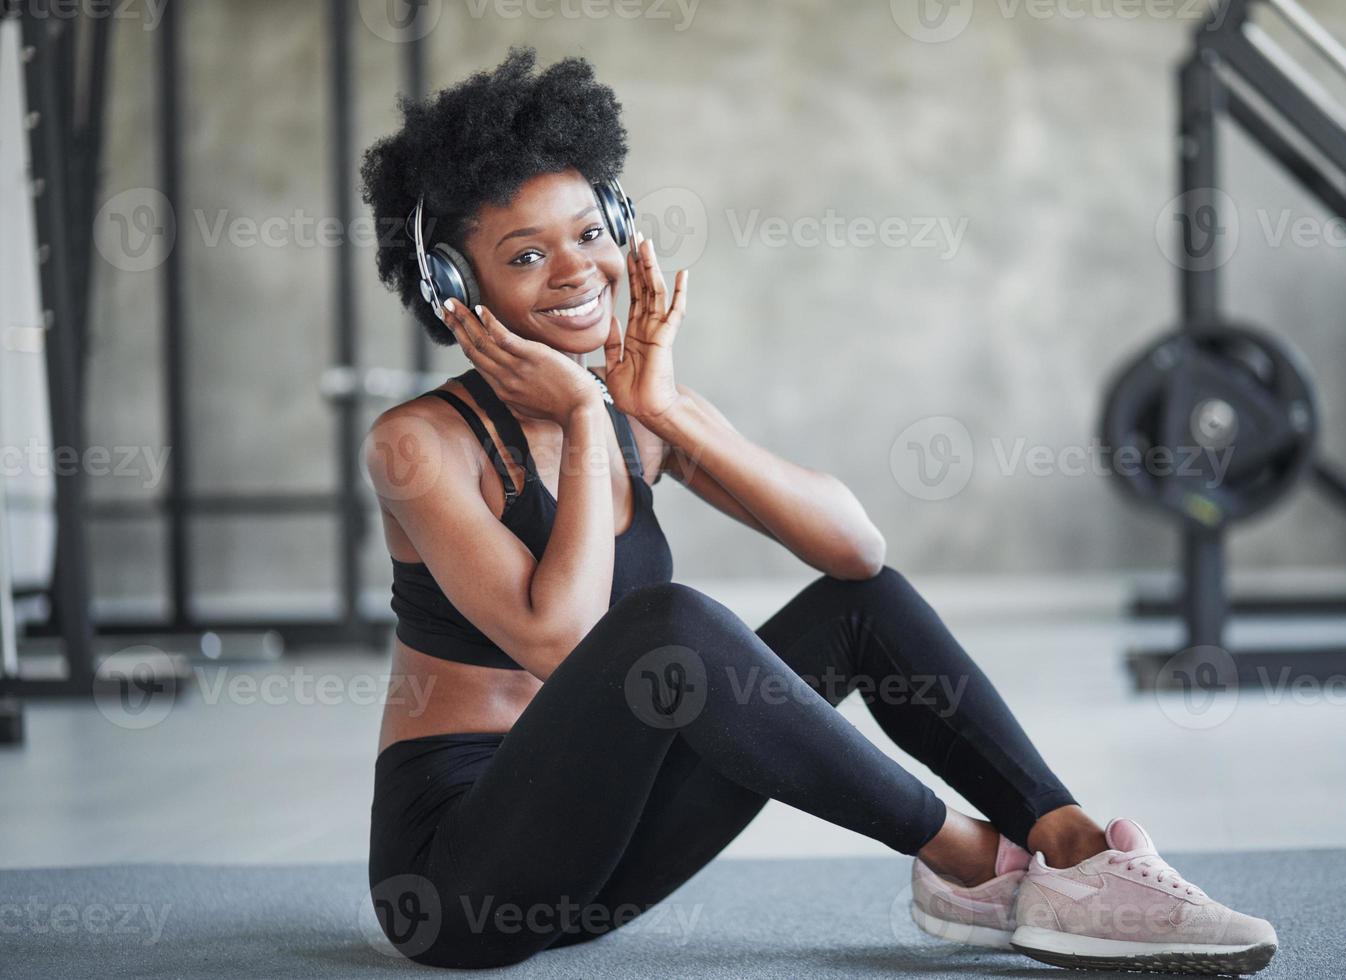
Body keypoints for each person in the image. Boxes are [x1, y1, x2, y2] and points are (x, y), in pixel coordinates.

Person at [358, 47, 1278, 975]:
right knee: (665, 627)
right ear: (454, 290)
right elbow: (561, 640)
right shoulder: (419, 444)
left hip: (610, 864)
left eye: (591, 233)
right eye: (526, 255)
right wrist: (589, 414)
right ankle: (969, 860)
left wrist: (666, 413)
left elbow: (856, 551)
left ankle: (1074, 847)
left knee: (859, 604)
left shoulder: (640, 411)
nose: (575, 270)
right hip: (462, 888)